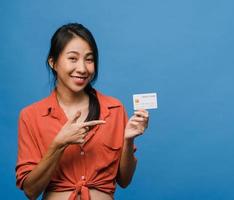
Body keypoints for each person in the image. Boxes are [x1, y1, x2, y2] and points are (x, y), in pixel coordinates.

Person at [15, 23, 149, 200]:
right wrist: (58, 145)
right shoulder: (31, 116)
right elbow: (31, 191)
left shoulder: (115, 109)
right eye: (73, 58)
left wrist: (129, 140)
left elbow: (124, 180)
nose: (83, 68)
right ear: (53, 62)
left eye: (89, 59)